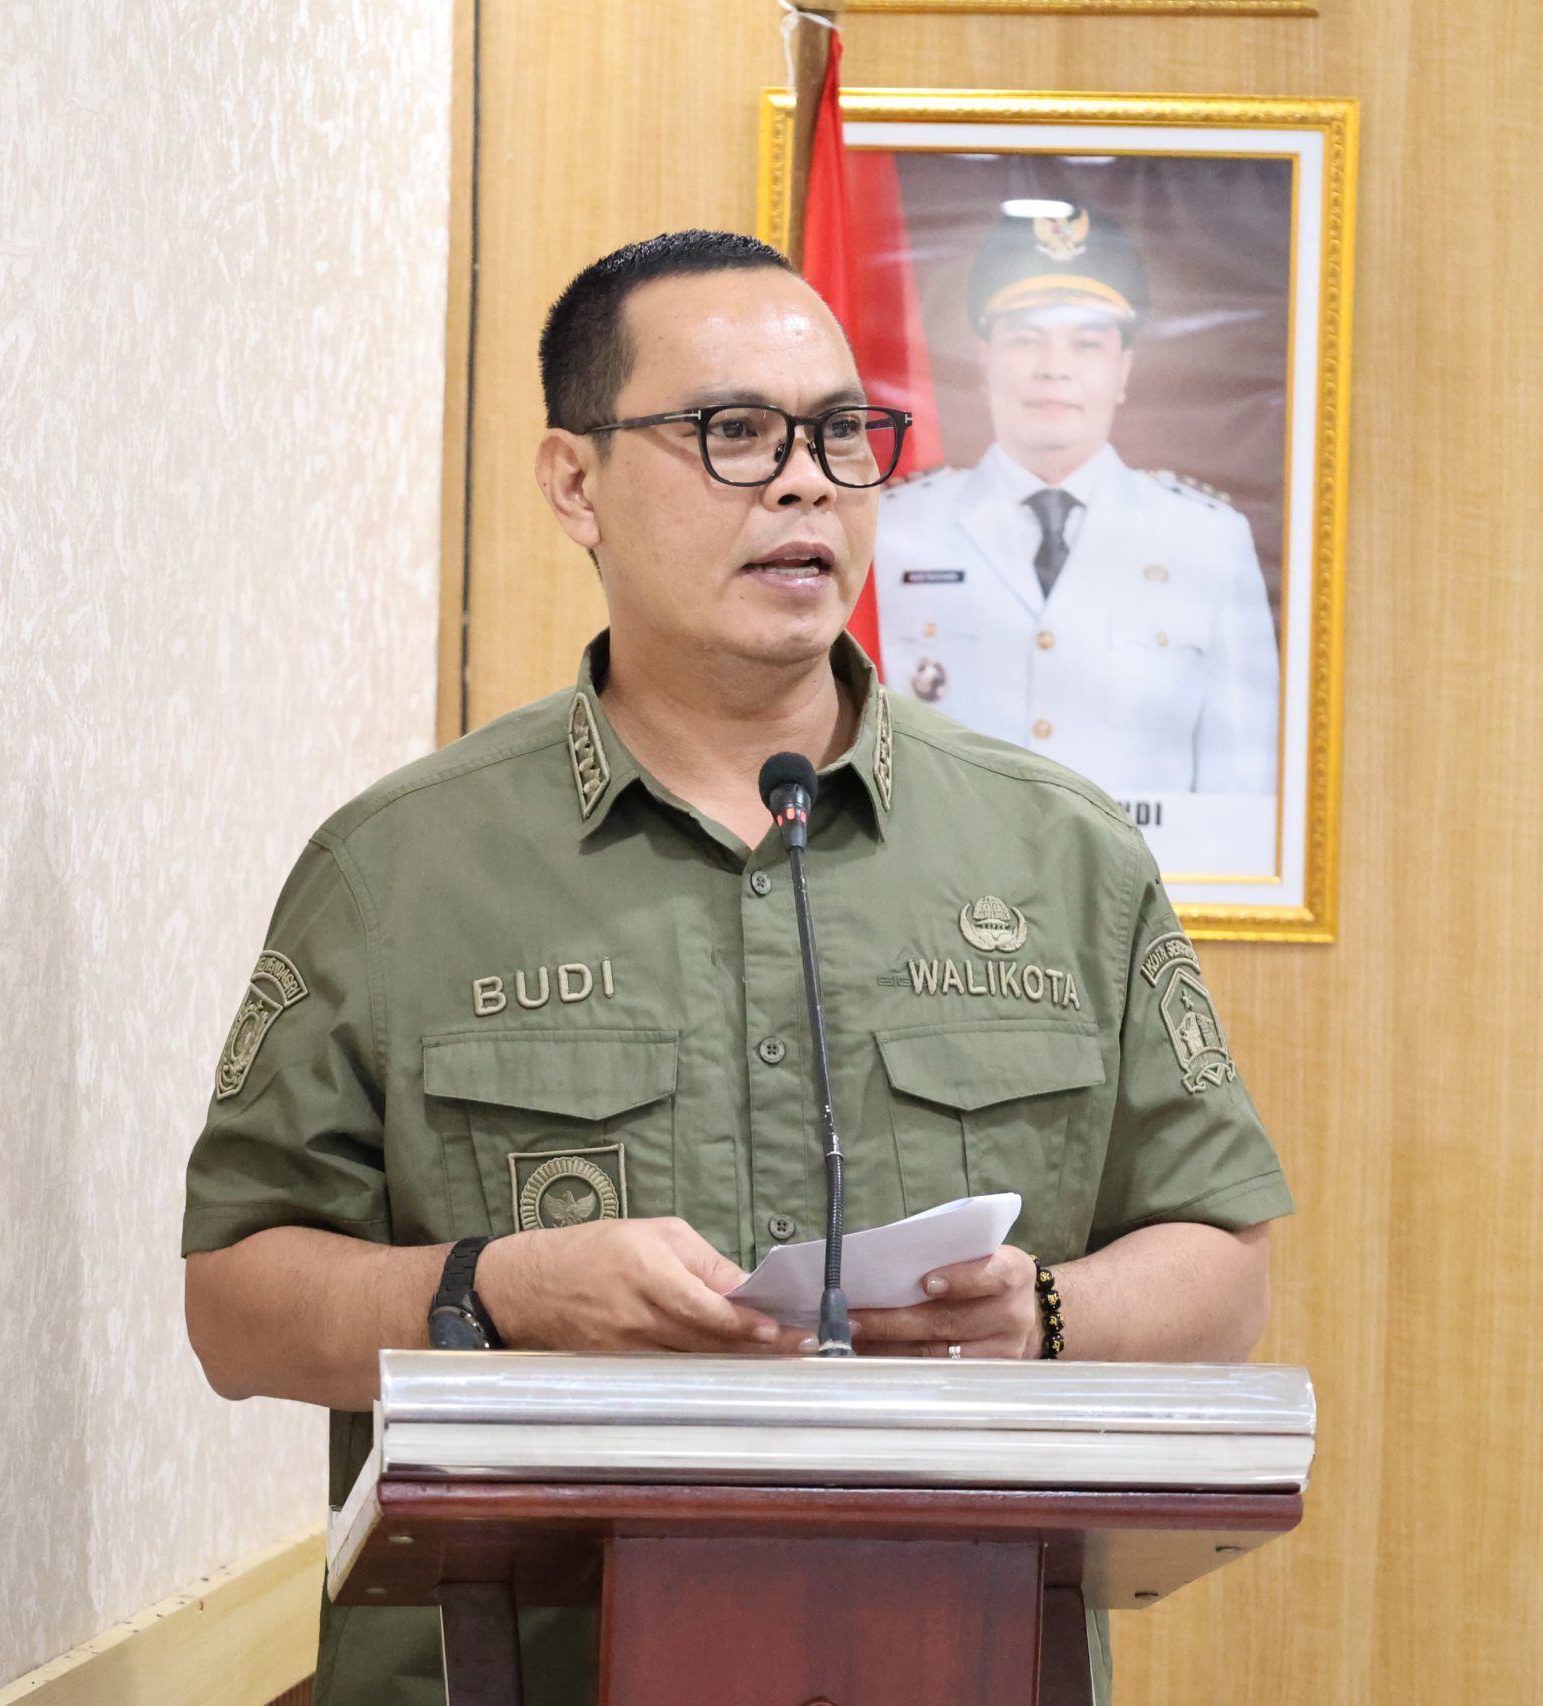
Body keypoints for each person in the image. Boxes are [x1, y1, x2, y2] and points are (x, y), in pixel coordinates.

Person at [180, 229, 1293, 1705]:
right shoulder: (400, 868)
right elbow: (235, 1298)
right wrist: (495, 1289)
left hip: (946, 1659)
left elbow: (1222, 1265)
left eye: (840, 435)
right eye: (734, 433)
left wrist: (1040, 1315)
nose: (805, 483)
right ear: (574, 482)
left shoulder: (1062, 855)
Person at [872, 203, 1282, 796]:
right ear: (984, 361)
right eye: (1025, 339)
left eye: (1086, 344)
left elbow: (1242, 783)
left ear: (1123, 370)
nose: (1054, 370)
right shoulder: (894, 530)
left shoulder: (1208, 541)